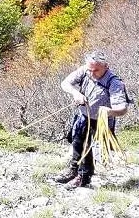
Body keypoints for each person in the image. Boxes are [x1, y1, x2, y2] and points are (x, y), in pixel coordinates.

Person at [54, 51, 129, 188]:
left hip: (102, 120)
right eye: (90, 70)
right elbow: (65, 83)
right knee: (78, 142)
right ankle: (73, 170)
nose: (92, 73)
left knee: (89, 147)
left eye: (96, 70)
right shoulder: (85, 70)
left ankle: (83, 177)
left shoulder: (115, 83)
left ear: (106, 66)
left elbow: (122, 109)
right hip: (84, 114)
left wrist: (110, 111)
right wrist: (76, 93)